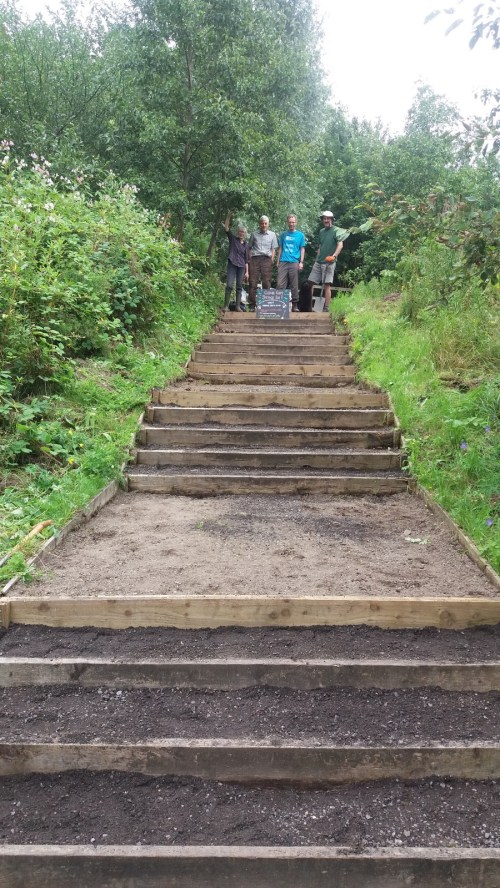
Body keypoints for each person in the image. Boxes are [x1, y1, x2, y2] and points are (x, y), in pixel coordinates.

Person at [308, 210, 346, 311]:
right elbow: (320, 246)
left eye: (328, 218)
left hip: (330, 262)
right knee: (310, 283)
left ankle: (327, 307)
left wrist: (334, 256)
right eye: (324, 218)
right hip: (319, 261)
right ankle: (308, 305)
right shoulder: (321, 232)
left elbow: (340, 245)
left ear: (332, 219)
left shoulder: (337, 230)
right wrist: (317, 258)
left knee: (327, 284)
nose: (326, 220)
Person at [276, 214, 306, 312]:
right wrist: (278, 261)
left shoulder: (300, 235)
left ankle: (294, 305)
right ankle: (280, 305)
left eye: (293, 222)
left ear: (296, 223)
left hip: (294, 262)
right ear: (287, 223)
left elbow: (302, 249)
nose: (291, 224)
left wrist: (301, 262)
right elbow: (280, 248)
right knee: (280, 284)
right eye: (290, 222)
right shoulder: (283, 234)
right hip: (283, 261)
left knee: (294, 284)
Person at [248, 215, 278, 311]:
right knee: (253, 282)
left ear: (268, 224)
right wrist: (249, 259)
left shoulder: (273, 235)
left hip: (266, 259)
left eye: (265, 223)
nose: (264, 225)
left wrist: (271, 260)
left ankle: (266, 305)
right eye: (262, 223)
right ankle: (252, 304)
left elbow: (273, 249)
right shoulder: (254, 234)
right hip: (255, 259)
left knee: (266, 282)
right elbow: (249, 247)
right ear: (259, 224)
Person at [223, 212, 250, 311]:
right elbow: (226, 228)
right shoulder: (233, 239)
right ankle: (226, 306)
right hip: (232, 264)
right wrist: (229, 216)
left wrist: (247, 272)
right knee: (229, 285)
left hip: (241, 266)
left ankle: (238, 306)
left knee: (239, 286)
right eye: (240, 231)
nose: (241, 233)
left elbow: (247, 259)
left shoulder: (246, 245)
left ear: (245, 234)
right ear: (238, 232)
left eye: (243, 232)